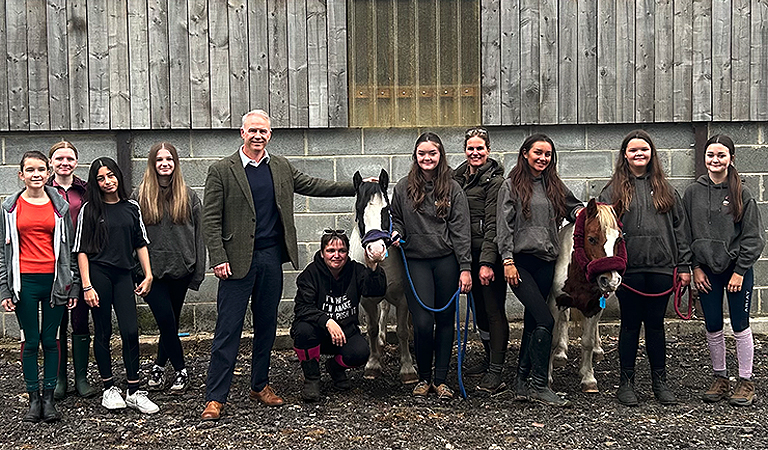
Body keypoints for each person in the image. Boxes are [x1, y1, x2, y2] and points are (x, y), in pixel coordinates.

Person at [201, 109, 356, 421]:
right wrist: (217, 257)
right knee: (227, 331)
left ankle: (259, 385)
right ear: (242, 133)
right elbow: (210, 218)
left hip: (271, 257)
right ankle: (216, 397)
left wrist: (357, 187)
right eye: (253, 130)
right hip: (235, 262)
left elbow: (314, 185)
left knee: (266, 328)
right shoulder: (221, 169)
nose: (258, 136)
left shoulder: (281, 166)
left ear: (270, 135)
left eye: (264, 131)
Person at [599, 129, 691, 407]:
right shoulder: (612, 191)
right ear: (624, 155)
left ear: (652, 154)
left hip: (662, 269)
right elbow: (603, 232)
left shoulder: (667, 189)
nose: (639, 154)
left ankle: (659, 382)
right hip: (629, 271)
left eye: (644, 149)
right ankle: (626, 383)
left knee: (655, 326)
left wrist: (684, 264)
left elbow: (681, 230)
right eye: (633, 150)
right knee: (629, 326)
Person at [496, 134, 582, 407]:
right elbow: (504, 226)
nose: (543, 158)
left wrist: (582, 212)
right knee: (546, 319)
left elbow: (573, 207)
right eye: (538, 153)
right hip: (520, 263)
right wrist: (507, 261)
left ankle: (522, 383)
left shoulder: (554, 185)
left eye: (547, 154)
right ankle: (540, 385)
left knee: (534, 322)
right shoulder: (510, 186)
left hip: (547, 260)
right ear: (525, 153)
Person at [73, 157, 159, 414]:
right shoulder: (90, 209)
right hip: (99, 275)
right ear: (95, 182)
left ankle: (133, 390)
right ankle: (109, 388)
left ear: (118, 176)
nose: (107, 181)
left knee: (131, 331)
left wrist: (148, 274)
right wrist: (87, 286)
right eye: (101, 178)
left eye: (111, 175)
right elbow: (81, 251)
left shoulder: (131, 207)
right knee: (103, 331)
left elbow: (140, 243)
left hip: (124, 275)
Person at [683, 134, 764, 407]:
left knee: (740, 325)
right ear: (704, 158)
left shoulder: (742, 193)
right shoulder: (693, 192)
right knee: (713, 324)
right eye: (710, 155)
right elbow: (685, 233)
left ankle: (745, 381)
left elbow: (753, 237)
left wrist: (740, 270)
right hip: (706, 271)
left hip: (735, 270)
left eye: (721, 155)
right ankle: (720, 377)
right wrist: (694, 267)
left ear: (731, 158)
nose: (715, 160)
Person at [390, 132, 472, 401]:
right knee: (423, 322)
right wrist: (396, 232)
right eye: (422, 153)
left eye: (432, 153)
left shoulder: (453, 189)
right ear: (415, 156)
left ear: (440, 156)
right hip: (415, 260)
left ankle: (441, 379)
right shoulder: (402, 187)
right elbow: (397, 218)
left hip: (446, 259)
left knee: (446, 321)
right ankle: (423, 377)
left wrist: (465, 267)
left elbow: (461, 230)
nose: (427, 158)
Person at [0, 151, 80, 423]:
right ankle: (33, 399)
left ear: (48, 174)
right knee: (31, 341)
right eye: (30, 170)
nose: (36, 175)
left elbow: (69, 250)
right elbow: (3, 251)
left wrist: (73, 287)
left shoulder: (60, 207)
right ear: (21, 174)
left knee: (51, 340)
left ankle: (49, 398)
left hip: (54, 282)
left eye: (41, 170)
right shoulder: (10, 207)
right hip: (25, 283)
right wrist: (5, 290)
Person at [134, 142, 206, 393]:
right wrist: (137, 272)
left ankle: (157, 366)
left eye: (169, 159)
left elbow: (199, 237)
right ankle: (181, 369)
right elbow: (132, 238)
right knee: (166, 321)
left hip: (180, 271)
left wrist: (197, 271)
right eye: (159, 159)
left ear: (176, 163)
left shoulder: (189, 195)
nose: (165, 163)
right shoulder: (139, 196)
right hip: (151, 274)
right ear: (152, 164)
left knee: (170, 323)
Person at [291, 229, 386, 402]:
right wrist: (327, 321)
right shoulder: (310, 274)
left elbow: (376, 292)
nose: (336, 255)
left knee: (361, 353)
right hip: (317, 333)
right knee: (302, 330)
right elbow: (302, 308)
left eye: (341, 251)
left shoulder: (356, 270)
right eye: (330, 251)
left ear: (347, 252)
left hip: (344, 333)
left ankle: (335, 367)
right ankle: (312, 379)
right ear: (322, 253)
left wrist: (372, 268)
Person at [453, 127, 508, 394]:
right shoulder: (457, 179)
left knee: (493, 310)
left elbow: (494, 225)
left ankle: (497, 370)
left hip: (489, 254)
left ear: (488, 150)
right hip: (466, 255)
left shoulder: (496, 182)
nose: (475, 153)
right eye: (471, 148)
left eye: (480, 148)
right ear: (465, 150)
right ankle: (488, 359)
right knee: (480, 314)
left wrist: (487, 262)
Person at [46, 141, 98, 400]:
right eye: (59, 159)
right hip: (52, 260)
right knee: (56, 322)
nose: (64, 163)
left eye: (69, 159)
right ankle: (59, 378)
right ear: (51, 162)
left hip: (82, 258)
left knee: (79, 319)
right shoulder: (43, 190)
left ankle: (81, 377)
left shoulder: (86, 191)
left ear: (76, 162)